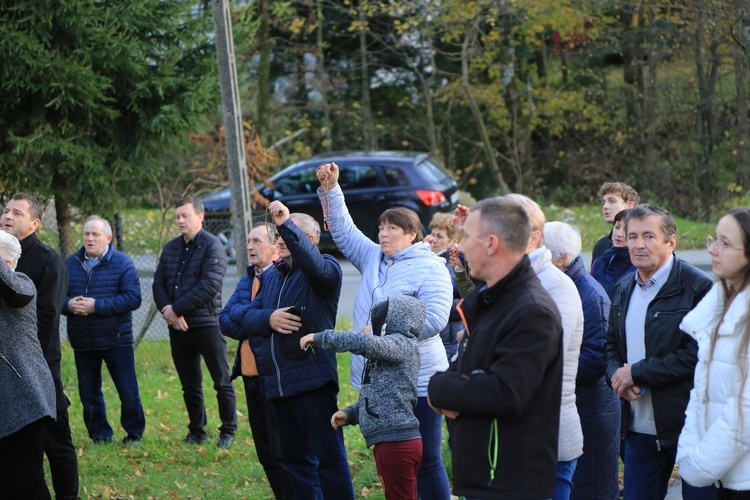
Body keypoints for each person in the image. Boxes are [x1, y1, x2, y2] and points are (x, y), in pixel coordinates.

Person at [316, 162, 453, 499]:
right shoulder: (373, 257)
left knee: (427, 458)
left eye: (393, 228)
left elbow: (435, 318)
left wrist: (382, 336)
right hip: (381, 378)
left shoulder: (431, 267)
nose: (384, 234)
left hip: (419, 379)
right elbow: (344, 231)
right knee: (394, 459)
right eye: (381, 227)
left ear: (412, 235)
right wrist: (332, 189)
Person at [427, 196, 564, 499]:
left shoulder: (531, 310)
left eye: (465, 237)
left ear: (491, 244)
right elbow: (468, 367)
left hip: (508, 483)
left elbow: (506, 393)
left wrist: (439, 388)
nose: (459, 247)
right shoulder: (494, 300)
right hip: (486, 479)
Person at [238, 201, 354, 500]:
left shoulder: (326, 269)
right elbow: (244, 317)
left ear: (309, 240)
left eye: (287, 235)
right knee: (294, 464)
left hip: (313, 382)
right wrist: (269, 318)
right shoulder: (272, 276)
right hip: (277, 386)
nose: (279, 240)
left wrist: (285, 222)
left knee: (329, 460)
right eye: (278, 235)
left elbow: (314, 266)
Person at [605, 204, 716, 500]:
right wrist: (617, 375)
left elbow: (699, 354)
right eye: (632, 237)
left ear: (671, 241)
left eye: (649, 236)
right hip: (638, 432)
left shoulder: (698, 288)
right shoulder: (623, 287)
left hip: (690, 426)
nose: (639, 245)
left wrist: (638, 372)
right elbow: (611, 344)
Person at [300, 295, 425, 500]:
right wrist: (350, 414)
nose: (370, 326)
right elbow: (381, 398)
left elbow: (363, 343)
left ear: (394, 322)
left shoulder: (400, 344)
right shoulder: (395, 352)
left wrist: (322, 338)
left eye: (378, 320)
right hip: (395, 442)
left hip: (396, 444)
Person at [506, 194, 584, 500]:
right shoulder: (506, 282)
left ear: (532, 238)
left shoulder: (556, 287)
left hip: (544, 442)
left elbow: (539, 365)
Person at [1, 193, 79, 499]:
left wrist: (40, 371)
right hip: (8, 372)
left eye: (17, 213)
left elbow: (46, 320)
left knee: (56, 442)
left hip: (40, 366)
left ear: (34, 223)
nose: (7, 216)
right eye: (6, 210)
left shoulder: (48, 261)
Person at [677, 208, 750, 497]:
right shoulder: (720, 306)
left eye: (724, 242)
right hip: (717, 472)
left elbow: (745, 412)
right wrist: (690, 453)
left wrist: (699, 465)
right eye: (713, 238)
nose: (711, 248)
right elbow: (701, 392)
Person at [152, 196, 236, 447]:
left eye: (185, 215)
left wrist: (175, 309)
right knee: (190, 385)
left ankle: (228, 430)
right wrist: (168, 311)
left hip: (207, 323)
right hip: (177, 328)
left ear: (200, 217)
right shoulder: (170, 248)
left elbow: (209, 286)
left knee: (221, 381)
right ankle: (196, 431)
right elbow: (158, 283)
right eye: (177, 216)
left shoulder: (213, 247)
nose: (180, 220)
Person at [545, 221, 620, 500]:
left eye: (542, 253)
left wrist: (543, 370)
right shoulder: (562, 285)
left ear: (562, 258)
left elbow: (595, 359)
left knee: (589, 488)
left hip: (591, 410)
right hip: (574, 404)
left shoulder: (588, 294)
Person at [220, 222, 294, 500]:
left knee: (281, 448)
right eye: (248, 241)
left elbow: (270, 319)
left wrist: (251, 320)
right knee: (265, 450)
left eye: (256, 241)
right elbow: (225, 319)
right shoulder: (249, 276)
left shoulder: (280, 276)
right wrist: (259, 323)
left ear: (275, 246)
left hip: (272, 375)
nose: (249, 246)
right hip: (250, 375)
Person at [62, 216, 145, 444]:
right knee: (89, 393)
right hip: (83, 340)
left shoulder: (123, 263)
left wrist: (96, 306)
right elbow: (56, 298)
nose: (89, 238)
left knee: (127, 390)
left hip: (115, 339)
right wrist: (68, 305)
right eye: (86, 234)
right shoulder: (70, 264)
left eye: (95, 234)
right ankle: (99, 435)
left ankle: (134, 433)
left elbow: (133, 298)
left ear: (108, 238)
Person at [0, 230, 57, 499]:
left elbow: (12, 290)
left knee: (27, 478)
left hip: (27, 397)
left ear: (7, 264)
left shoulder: (23, 285)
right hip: (4, 402)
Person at [426, 212, 462, 362]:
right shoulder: (431, 259)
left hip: (451, 336)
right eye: (433, 234)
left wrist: (436, 306)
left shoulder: (455, 262)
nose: (433, 240)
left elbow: (465, 300)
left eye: (440, 236)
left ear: (453, 240)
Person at [591, 209, 636, 299]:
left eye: (626, 229)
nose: (619, 234)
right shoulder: (600, 262)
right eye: (617, 227)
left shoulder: (641, 268)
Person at [592, 182, 639, 261]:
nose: (605, 206)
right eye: (603, 202)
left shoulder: (641, 245)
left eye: (612, 201)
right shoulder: (601, 246)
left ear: (630, 205)